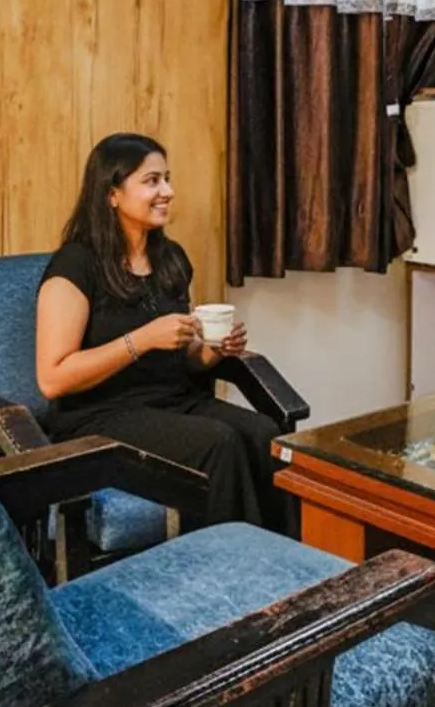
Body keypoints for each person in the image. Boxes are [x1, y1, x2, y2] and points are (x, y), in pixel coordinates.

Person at [35, 132, 285, 530]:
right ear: (112, 194)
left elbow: (183, 358)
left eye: (167, 179)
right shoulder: (75, 265)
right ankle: (227, 573)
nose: (167, 191)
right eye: (152, 181)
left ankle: (285, 568)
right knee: (219, 444)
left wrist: (213, 352)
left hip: (173, 401)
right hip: (100, 415)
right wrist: (142, 340)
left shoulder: (170, 259)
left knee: (264, 434)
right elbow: (52, 378)